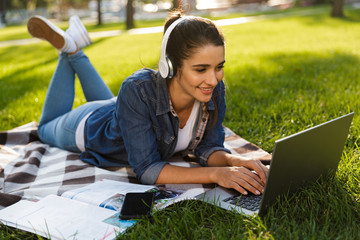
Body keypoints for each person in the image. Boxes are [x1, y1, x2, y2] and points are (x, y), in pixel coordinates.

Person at [27, 11, 269, 196]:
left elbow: (207, 148)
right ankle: (67, 50)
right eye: (200, 69)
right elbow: (147, 170)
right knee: (44, 128)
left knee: (115, 102)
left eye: (219, 67)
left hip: (124, 111)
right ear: (170, 66)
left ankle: (75, 50)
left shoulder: (212, 90)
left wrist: (235, 162)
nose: (213, 79)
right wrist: (216, 174)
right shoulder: (137, 90)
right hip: (90, 126)